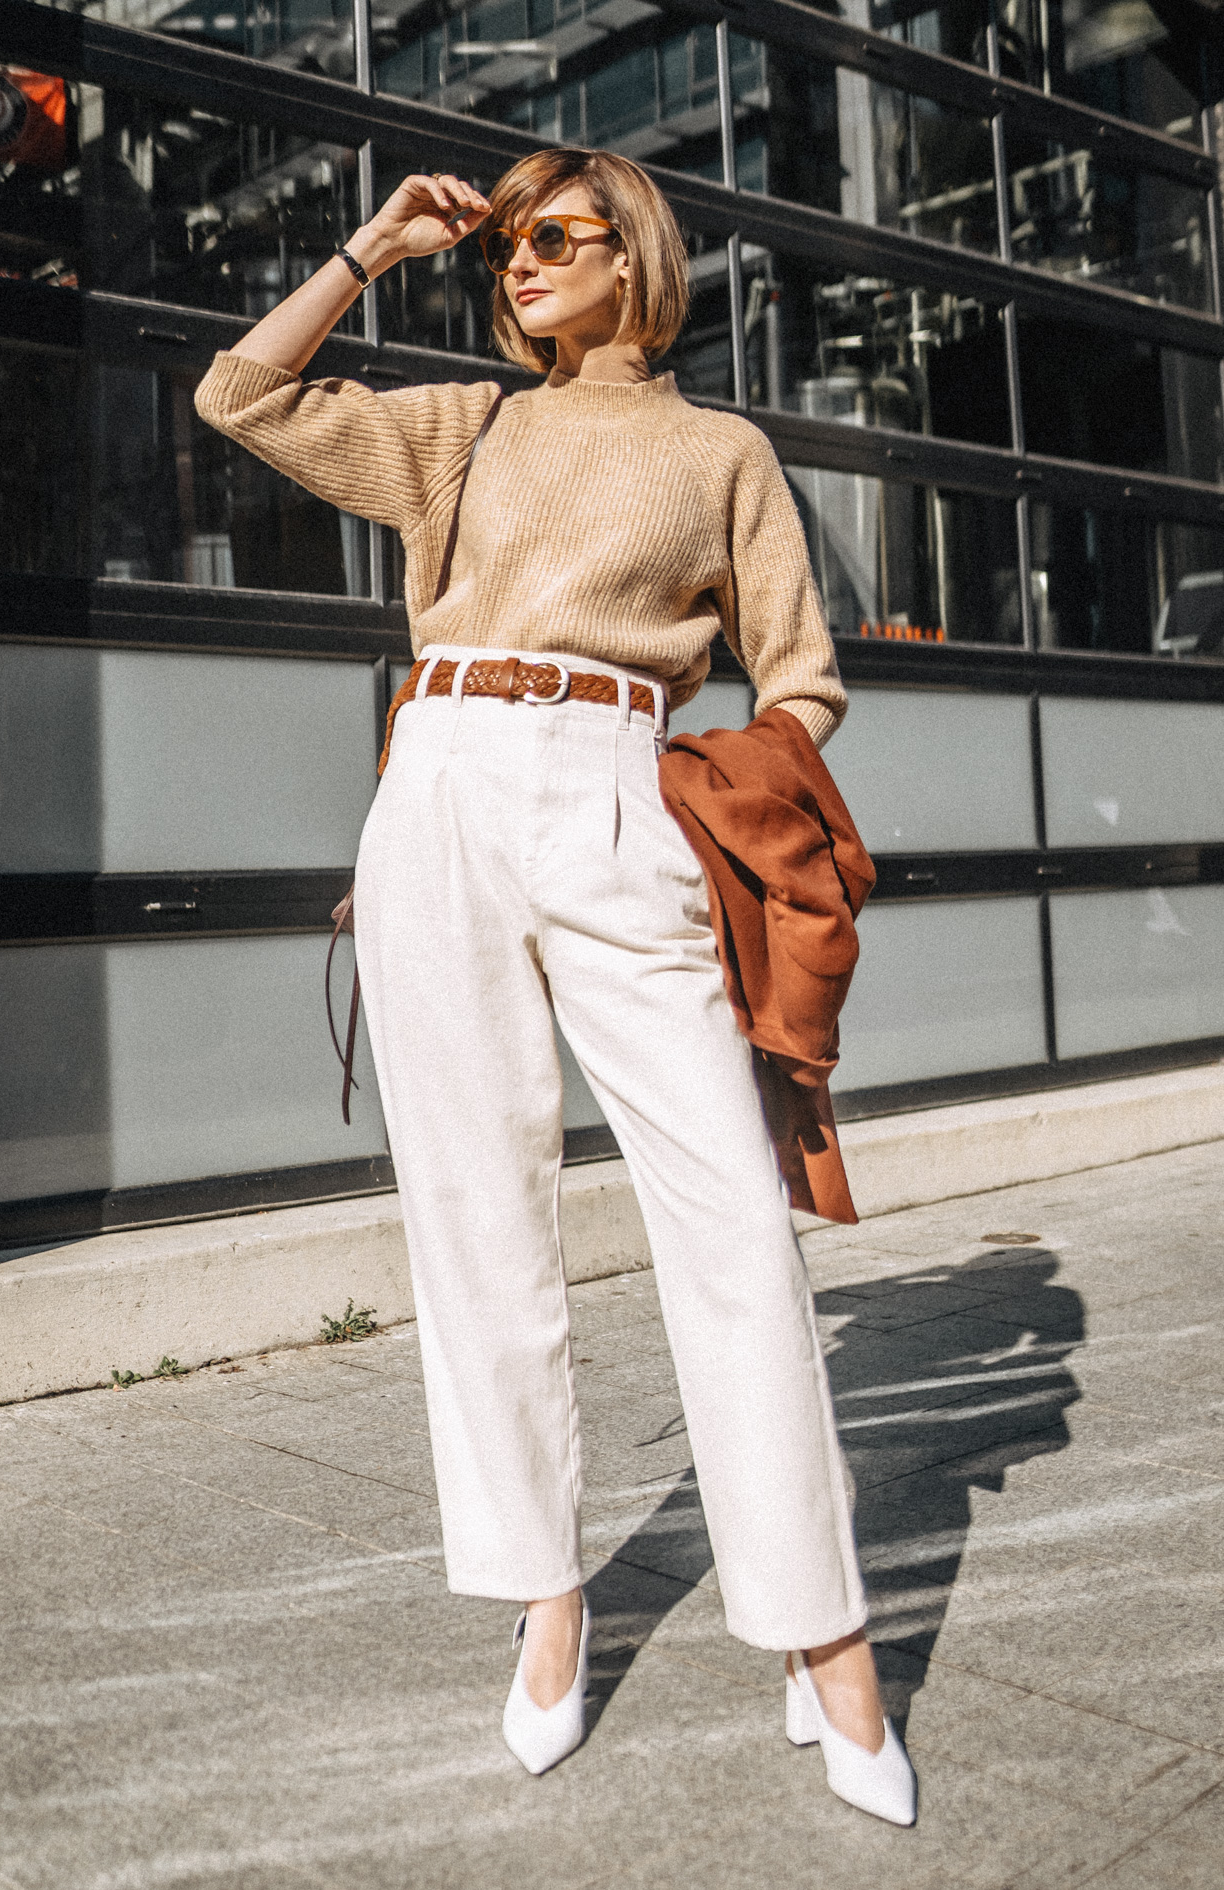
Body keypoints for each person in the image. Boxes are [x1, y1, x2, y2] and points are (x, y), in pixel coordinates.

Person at [194, 146, 916, 1824]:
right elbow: (241, 392)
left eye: (558, 235)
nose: (522, 260)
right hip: (440, 782)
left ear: (636, 258)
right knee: (477, 1223)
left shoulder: (721, 448)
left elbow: (799, 677)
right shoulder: (467, 424)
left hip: (618, 794)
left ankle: (825, 1634)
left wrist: (701, 800)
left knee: (730, 1218)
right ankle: (548, 1595)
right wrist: (375, 246)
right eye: (510, 241)